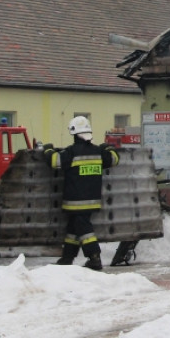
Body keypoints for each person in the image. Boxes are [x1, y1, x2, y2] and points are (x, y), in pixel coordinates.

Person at [42, 116, 119, 270]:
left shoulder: (71, 152)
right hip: (93, 199)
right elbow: (114, 159)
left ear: (74, 134)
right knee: (73, 228)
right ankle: (68, 257)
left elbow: (54, 161)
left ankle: (94, 257)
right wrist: (107, 147)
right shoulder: (97, 151)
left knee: (84, 229)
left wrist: (48, 149)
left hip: (75, 200)